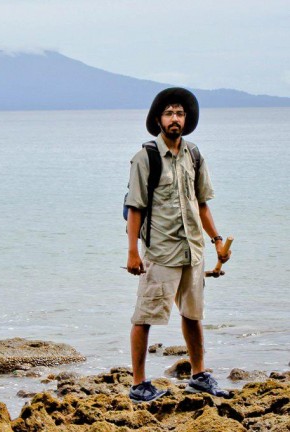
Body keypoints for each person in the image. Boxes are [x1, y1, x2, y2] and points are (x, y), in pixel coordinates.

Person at [124, 87, 231, 403]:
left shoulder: (194, 155)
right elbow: (135, 207)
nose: (175, 118)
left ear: (186, 120)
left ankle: (199, 375)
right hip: (161, 252)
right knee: (144, 316)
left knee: (193, 314)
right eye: (169, 113)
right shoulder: (146, 157)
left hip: (193, 251)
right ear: (158, 119)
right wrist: (132, 252)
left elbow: (202, 204)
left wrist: (217, 241)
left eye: (180, 113)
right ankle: (139, 383)